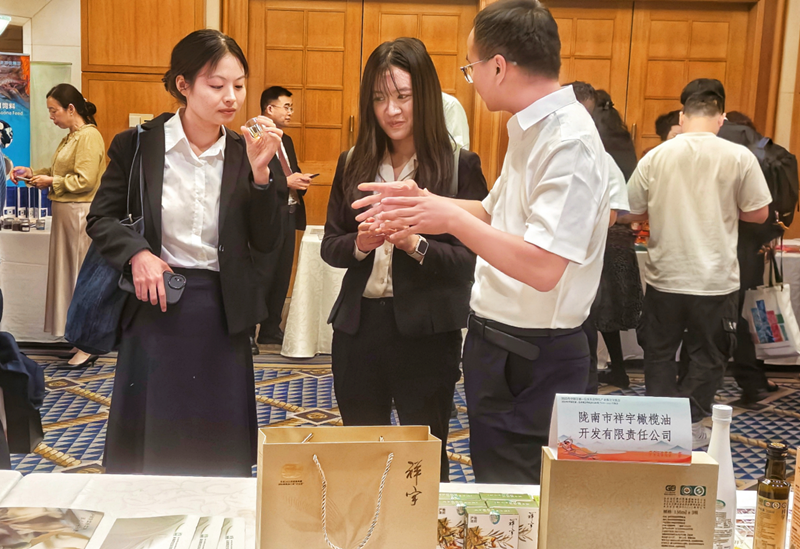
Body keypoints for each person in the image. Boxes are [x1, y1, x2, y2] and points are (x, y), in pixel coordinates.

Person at [354, 0, 611, 484]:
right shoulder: (532, 129)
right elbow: (493, 214)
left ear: (498, 66)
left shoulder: (567, 142)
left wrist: (449, 217)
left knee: (520, 493)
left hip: (534, 354)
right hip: (501, 345)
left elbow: (543, 268)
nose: (470, 78)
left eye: (470, 67)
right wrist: (424, 202)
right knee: (496, 482)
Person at [86, 29, 282, 476]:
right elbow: (101, 218)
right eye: (216, 85)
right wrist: (137, 254)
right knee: (155, 440)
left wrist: (260, 177)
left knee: (219, 445)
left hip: (222, 310)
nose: (231, 97)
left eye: (239, 85)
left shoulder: (246, 151)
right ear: (183, 84)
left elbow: (267, 241)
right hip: (155, 303)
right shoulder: (139, 144)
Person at [321, 37, 488, 482]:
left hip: (426, 334)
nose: (391, 110)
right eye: (379, 98)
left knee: (423, 459)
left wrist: (415, 244)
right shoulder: (353, 162)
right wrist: (361, 243)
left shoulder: (458, 165)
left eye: (402, 96)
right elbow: (331, 244)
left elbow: (472, 260)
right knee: (360, 453)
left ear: (426, 96)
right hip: (358, 329)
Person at [627, 90, 771, 448]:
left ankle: (662, 425)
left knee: (659, 353)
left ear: (682, 116)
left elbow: (630, 210)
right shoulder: (739, 156)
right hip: (715, 279)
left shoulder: (657, 155)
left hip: (665, 276)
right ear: (721, 119)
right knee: (708, 354)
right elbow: (759, 213)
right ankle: (690, 424)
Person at [10, 84, 105, 369]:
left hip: (79, 214)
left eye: (54, 111)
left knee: (78, 277)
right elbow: (59, 173)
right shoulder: (71, 137)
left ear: (71, 109)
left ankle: (88, 343)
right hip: (67, 213)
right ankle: (79, 337)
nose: (51, 116)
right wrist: (34, 173)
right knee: (69, 277)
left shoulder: (89, 136)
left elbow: (85, 181)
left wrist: (51, 182)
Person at [570, 82, 641, 391]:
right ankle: (608, 374)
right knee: (601, 314)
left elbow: (612, 211)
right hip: (614, 240)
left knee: (590, 314)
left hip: (596, 243)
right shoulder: (619, 139)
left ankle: (586, 383)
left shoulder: (595, 148)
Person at [252, 86, 313, 352]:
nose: (290, 112)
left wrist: (300, 180)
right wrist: (285, 182)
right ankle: (248, 332)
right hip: (266, 216)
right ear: (269, 108)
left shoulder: (285, 139)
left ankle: (270, 329)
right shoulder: (254, 134)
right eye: (286, 106)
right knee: (261, 274)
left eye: (291, 107)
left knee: (281, 274)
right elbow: (249, 176)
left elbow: (291, 170)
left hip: (289, 212)